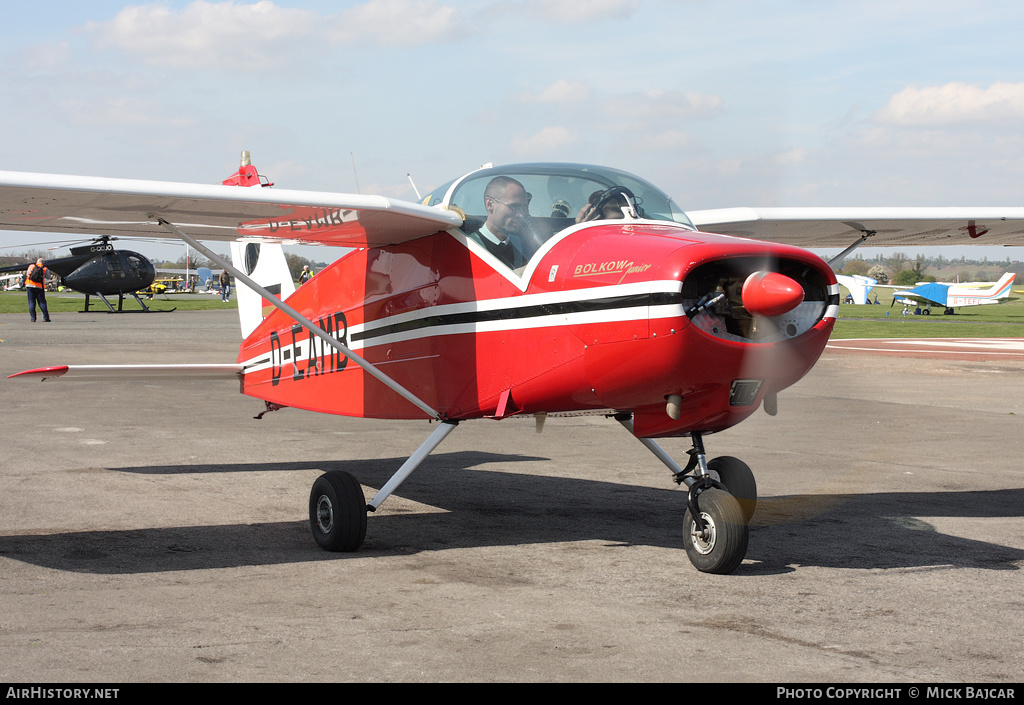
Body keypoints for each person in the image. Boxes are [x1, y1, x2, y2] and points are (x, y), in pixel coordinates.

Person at [471, 176, 533, 268]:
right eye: (514, 207)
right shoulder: (469, 247)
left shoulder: (524, 245)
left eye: (523, 209)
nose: (520, 215)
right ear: (490, 204)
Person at [25, 258, 50, 322]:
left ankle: (33, 318)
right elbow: (48, 277)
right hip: (39, 287)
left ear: (37, 262)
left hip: (29, 285)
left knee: (31, 302)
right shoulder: (44, 269)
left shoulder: (31, 266)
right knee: (42, 302)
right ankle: (46, 317)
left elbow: (27, 274)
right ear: (43, 263)